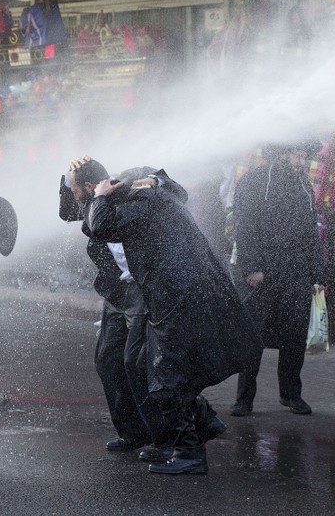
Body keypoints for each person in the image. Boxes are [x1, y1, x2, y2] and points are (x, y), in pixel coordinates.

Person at [82, 157, 262, 475]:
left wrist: (99, 196)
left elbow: (101, 227)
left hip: (174, 296)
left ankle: (189, 453)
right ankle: (199, 431)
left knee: (168, 376)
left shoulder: (145, 200)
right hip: (177, 293)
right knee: (168, 372)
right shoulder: (156, 194)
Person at [61, 158, 225, 464]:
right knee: (108, 360)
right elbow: (67, 212)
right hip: (117, 291)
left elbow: (171, 189)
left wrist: (153, 182)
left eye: (73, 188)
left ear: (88, 187)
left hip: (143, 288)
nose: (71, 196)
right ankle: (133, 431)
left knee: (140, 365)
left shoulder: (134, 191)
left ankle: (166, 436)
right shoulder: (89, 201)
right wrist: (70, 168)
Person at [230, 141, 325, 417]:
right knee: (254, 335)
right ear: (281, 155)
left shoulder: (304, 186)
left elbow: (311, 233)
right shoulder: (254, 181)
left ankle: (291, 394)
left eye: (304, 155)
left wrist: (316, 274)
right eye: (296, 153)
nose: (301, 161)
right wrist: (251, 267)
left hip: (295, 271)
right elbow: (244, 226)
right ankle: (244, 398)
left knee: (295, 333)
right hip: (263, 269)